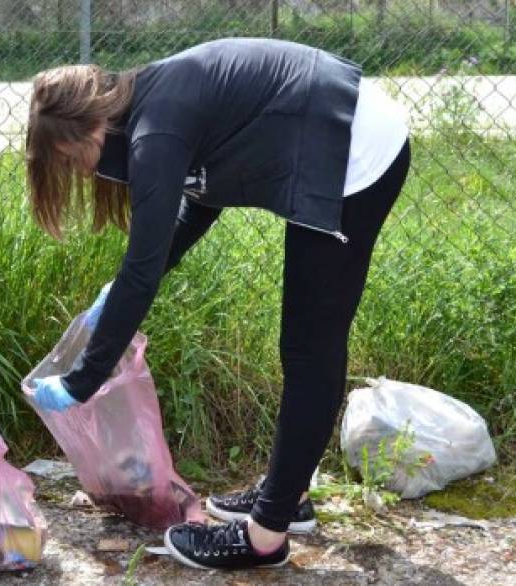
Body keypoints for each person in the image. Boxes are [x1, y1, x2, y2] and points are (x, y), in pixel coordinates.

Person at [25, 38, 410, 570]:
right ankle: (287, 494)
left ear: (92, 129)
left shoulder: (154, 130)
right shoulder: (150, 110)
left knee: (309, 346)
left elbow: (141, 265)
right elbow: (200, 203)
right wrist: (114, 297)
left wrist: (81, 381)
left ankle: (266, 536)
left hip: (353, 148)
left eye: (73, 161)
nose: (84, 174)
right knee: (304, 343)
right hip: (326, 129)